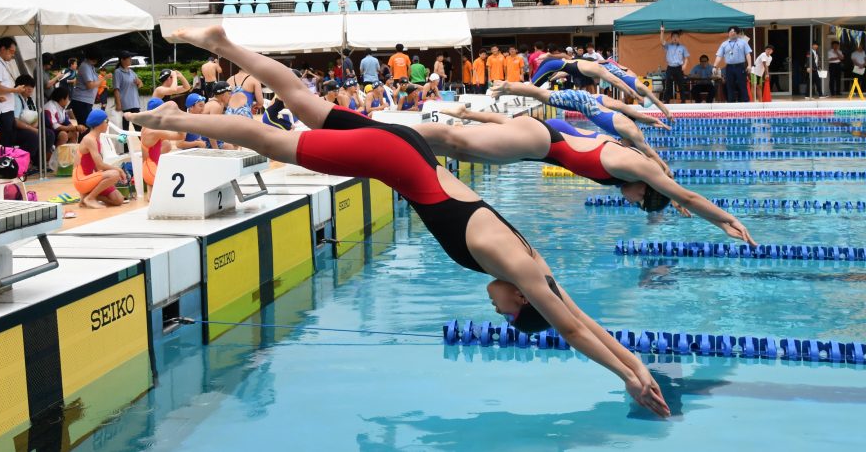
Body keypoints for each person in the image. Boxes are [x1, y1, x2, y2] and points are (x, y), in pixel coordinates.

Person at [126, 27, 678, 418]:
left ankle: (224, 45)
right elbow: (575, 329)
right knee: (281, 142)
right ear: (523, 300)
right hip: (396, 159)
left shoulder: (538, 269)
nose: (495, 308)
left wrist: (635, 368)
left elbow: (579, 317)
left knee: (300, 99)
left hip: (406, 146)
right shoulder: (517, 266)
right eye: (507, 312)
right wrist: (629, 378)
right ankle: (175, 117)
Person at [489, 84, 672, 174]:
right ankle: (505, 87)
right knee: (542, 95)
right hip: (583, 103)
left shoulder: (628, 123)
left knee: (542, 95)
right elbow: (650, 153)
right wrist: (666, 171)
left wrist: (654, 121)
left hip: (590, 99)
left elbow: (631, 111)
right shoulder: (631, 132)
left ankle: (506, 88)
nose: (622, 146)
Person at [71, 109, 126, 208]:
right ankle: (90, 198)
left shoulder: (97, 139)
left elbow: (96, 166)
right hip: (81, 180)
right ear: (100, 123)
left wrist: (105, 180)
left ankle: (87, 197)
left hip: (89, 178)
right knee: (115, 174)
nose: (108, 124)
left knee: (118, 200)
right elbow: (100, 164)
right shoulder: (89, 139)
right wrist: (118, 170)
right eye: (107, 121)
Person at [531, 55, 639, 101]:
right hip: (556, 65)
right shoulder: (600, 68)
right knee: (531, 87)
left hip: (563, 66)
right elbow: (564, 68)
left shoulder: (605, 67)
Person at [140, 98, 187, 190]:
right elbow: (181, 136)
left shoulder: (147, 124)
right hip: (150, 170)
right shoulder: (155, 131)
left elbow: (167, 143)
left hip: (149, 168)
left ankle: (151, 191)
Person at [0, 37, 24, 148]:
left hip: (6, 109)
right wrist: (15, 90)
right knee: (5, 142)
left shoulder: (1, 62)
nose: (12, 55)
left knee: (9, 140)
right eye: (11, 51)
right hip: (1, 111)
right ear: (3, 49)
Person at [712, 27, 753, 103]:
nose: (732, 33)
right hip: (729, 67)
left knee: (742, 84)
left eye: (734, 32)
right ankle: (731, 102)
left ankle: (745, 102)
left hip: (740, 66)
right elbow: (719, 56)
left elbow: (748, 54)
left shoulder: (743, 42)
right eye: (730, 32)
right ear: (728, 33)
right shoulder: (724, 44)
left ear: (737, 33)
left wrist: (749, 65)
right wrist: (714, 66)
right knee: (729, 85)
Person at [68, 48, 101, 128]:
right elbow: (90, 85)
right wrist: (104, 79)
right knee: (85, 127)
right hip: (81, 102)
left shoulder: (90, 66)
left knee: (86, 127)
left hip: (85, 101)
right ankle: (83, 140)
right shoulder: (85, 66)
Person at [113, 51, 143, 131]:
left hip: (135, 104)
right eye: (129, 59)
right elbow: (116, 89)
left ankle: (142, 143)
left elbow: (140, 85)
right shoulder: (118, 72)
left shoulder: (132, 72)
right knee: (124, 129)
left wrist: (139, 82)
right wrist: (118, 104)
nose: (131, 60)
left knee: (138, 127)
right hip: (125, 105)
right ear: (122, 60)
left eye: (131, 58)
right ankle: (124, 143)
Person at [660, 26, 689, 102]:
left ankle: (683, 100)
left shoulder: (683, 47)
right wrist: (662, 31)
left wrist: (685, 65)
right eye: (673, 37)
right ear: (671, 38)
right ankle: (666, 100)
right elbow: (662, 41)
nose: (675, 38)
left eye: (677, 37)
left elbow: (686, 58)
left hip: (679, 68)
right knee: (668, 84)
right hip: (670, 67)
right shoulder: (668, 46)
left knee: (681, 85)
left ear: (679, 38)